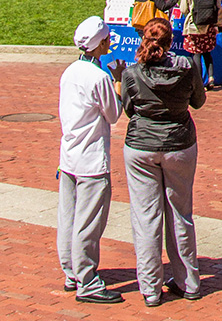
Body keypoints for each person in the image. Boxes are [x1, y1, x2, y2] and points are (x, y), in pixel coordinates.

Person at [121, 15, 206, 306]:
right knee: (181, 213)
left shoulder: (132, 73)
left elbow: (129, 109)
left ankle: (150, 288)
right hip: (179, 142)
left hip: (141, 146)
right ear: (172, 41)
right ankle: (188, 281)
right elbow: (198, 101)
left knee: (146, 218)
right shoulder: (187, 68)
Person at [58, 15, 125, 304]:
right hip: (92, 159)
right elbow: (113, 114)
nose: (110, 42)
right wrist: (119, 81)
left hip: (69, 155)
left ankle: (71, 272)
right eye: (107, 39)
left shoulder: (70, 71)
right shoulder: (99, 77)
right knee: (88, 222)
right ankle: (87, 281)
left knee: (68, 218)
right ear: (99, 44)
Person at [179, 0, 222, 89]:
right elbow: (218, 7)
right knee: (207, 52)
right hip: (209, 26)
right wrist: (219, 24)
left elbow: (183, 8)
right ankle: (211, 78)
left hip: (194, 26)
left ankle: (198, 82)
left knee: (196, 54)